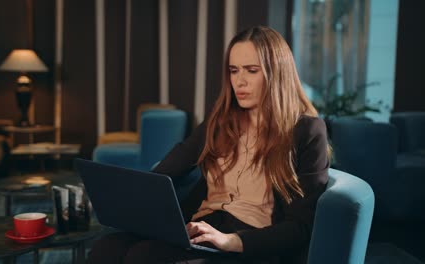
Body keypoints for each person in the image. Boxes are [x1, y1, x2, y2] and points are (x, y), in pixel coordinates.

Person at [87, 26, 329, 264]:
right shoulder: (222, 120)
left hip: (251, 242)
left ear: (277, 73)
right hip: (204, 226)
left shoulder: (306, 130)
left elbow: (301, 227)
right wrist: (129, 201)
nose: (239, 81)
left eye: (251, 70)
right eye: (234, 70)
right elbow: (167, 170)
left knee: (145, 257)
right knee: (107, 247)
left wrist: (230, 241)